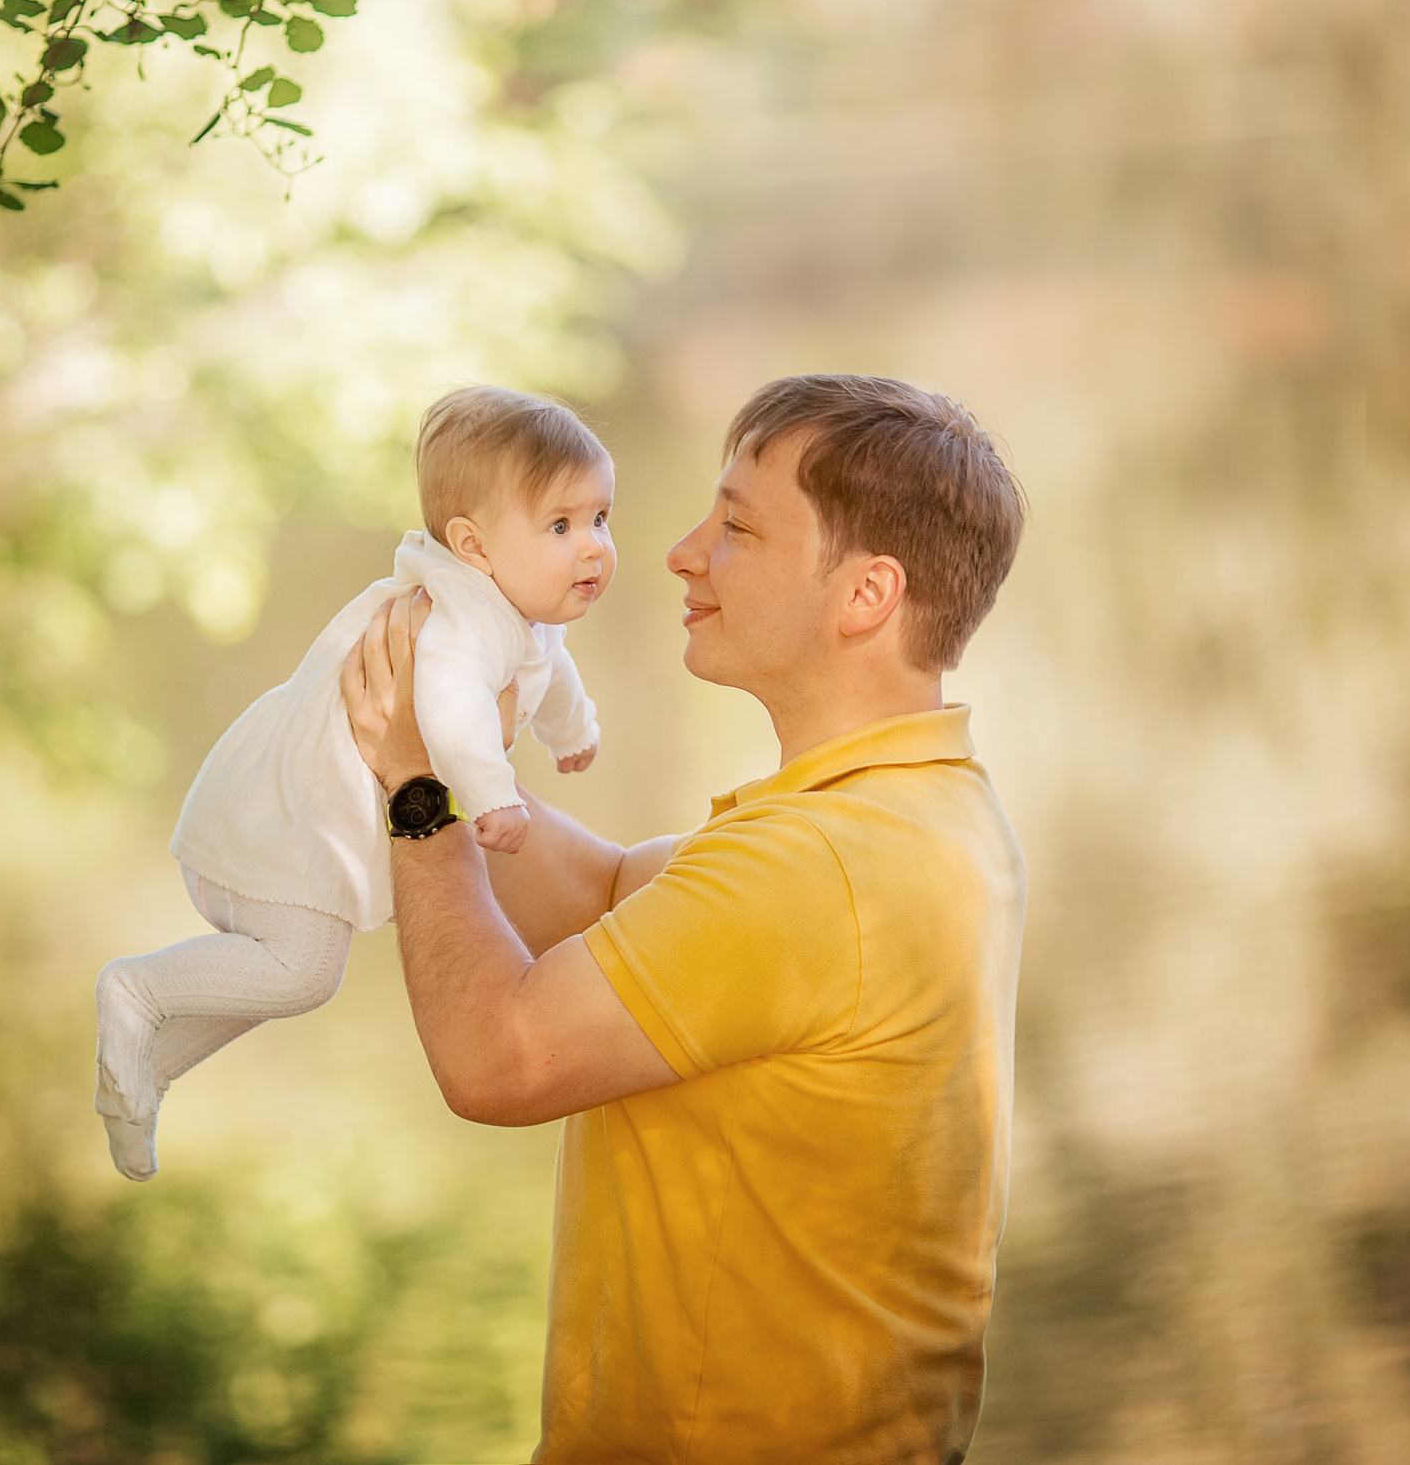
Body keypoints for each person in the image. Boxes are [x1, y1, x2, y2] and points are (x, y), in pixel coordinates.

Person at [341, 373, 1028, 1464]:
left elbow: (495, 1060)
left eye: (737, 528)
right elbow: (611, 894)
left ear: (866, 594)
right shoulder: (923, 806)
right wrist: (448, 745)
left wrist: (414, 790)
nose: (679, 551)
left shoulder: (812, 866)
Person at [92, 386, 617, 1181]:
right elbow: (450, 709)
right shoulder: (459, 619)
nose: (594, 548)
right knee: (303, 971)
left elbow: (552, 670)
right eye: (561, 526)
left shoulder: (516, 610)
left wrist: (572, 731)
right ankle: (136, 990)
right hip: (289, 812)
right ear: (473, 545)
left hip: (308, 812)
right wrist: (495, 795)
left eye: (601, 518)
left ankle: (148, 1070)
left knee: (293, 967)